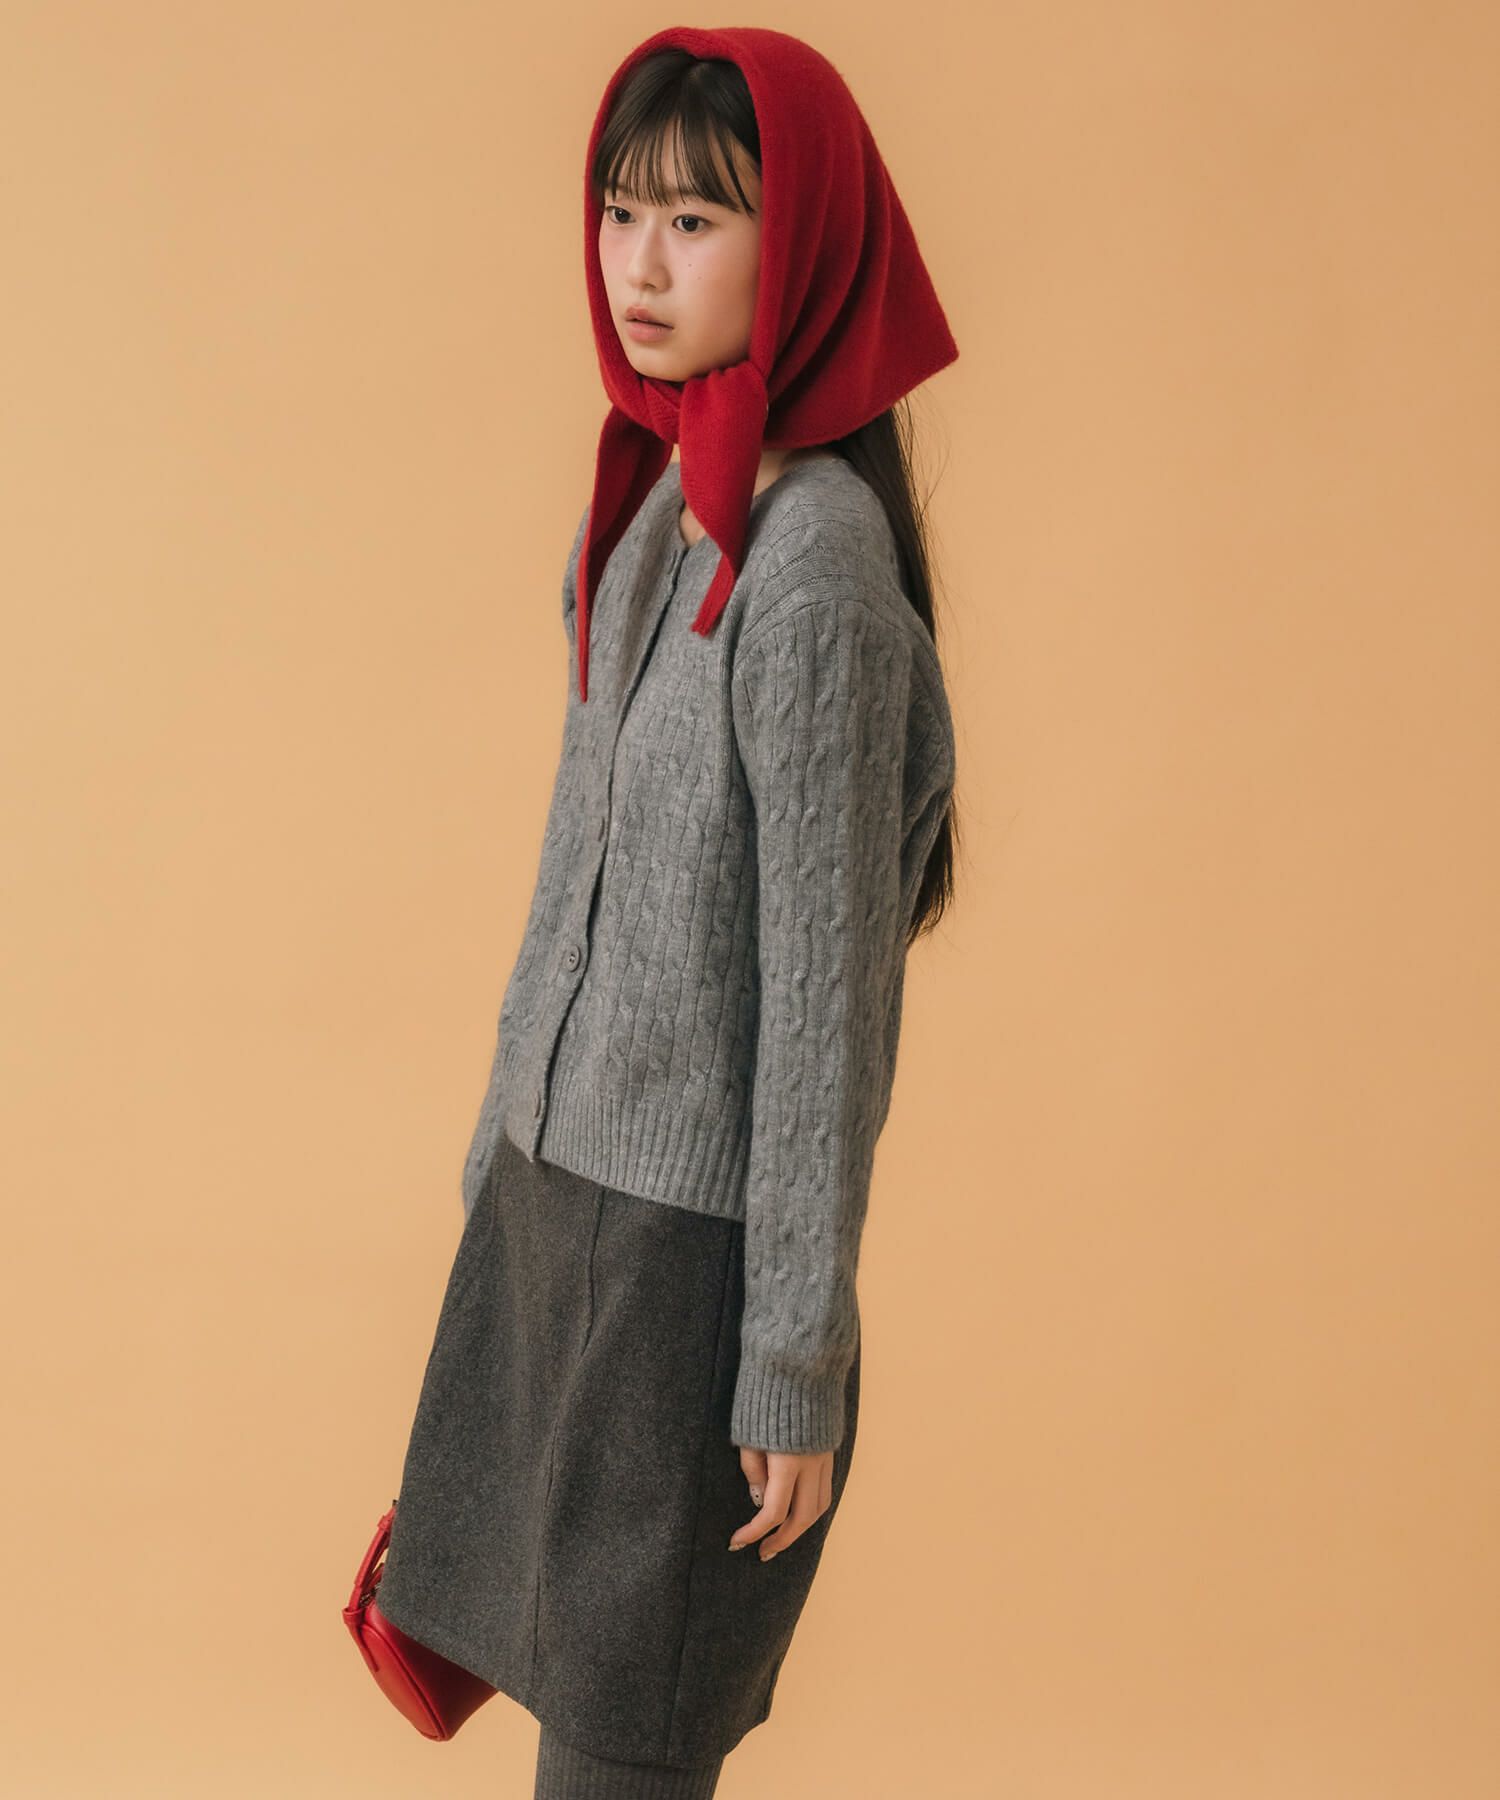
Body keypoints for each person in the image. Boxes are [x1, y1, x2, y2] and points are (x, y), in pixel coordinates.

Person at [373, 27, 962, 1798]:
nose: (640, 264)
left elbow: (826, 1013)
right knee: (556, 1718)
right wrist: (495, 1175)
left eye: (696, 220)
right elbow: (569, 879)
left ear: (809, 247)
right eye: (622, 211)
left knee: (621, 1757)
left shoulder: (817, 574)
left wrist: (790, 1355)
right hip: (556, 1214)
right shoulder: (648, 520)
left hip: (688, 1266)